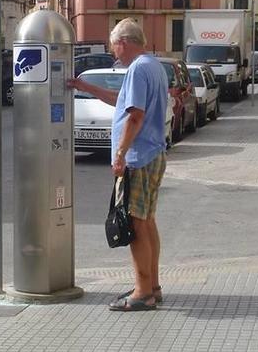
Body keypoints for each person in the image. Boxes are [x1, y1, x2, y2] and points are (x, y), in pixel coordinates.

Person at [67, 18, 168, 311]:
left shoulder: (137, 69)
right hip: (153, 153)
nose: (113, 54)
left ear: (123, 42)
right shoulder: (153, 65)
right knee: (146, 221)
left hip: (139, 156)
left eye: (114, 47)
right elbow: (123, 101)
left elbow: (134, 115)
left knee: (135, 225)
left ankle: (143, 292)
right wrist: (84, 86)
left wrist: (120, 154)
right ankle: (153, 286)